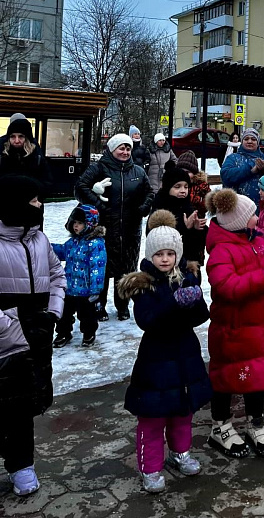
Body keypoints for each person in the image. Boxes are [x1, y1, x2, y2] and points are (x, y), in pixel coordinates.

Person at [118, 210, 212, 493]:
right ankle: (151, 468)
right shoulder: (143, 284)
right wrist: (174, 303)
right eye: (159, 254)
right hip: (156, 361)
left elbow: (201, 315)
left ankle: (180, 452)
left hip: (185, 356)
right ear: (150, 255)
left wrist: (193, 301)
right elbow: (148, 321)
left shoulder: (186, 277)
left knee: (182, 412)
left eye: (170, 253)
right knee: (153, 417)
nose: (165, 259)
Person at [205, 188, 264, 458]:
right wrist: (263, 281)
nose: (258, 216)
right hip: (233, 328)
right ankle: (220, 425)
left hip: (259, 326)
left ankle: (256, 423)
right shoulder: (222, 251)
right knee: (227, 377)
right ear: (239, 221)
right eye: (253, 214)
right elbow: (226, 287)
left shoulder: (257, 241)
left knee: (257, 376)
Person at [0, 175, 66, 496]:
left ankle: (22, 463)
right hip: (6, 340)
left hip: (37, 332)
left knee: (24, 403)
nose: (40, 205)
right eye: (35, 200)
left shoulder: (40, 240)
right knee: (4, 400)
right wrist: (13, 326)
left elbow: (56, 272)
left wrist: (52, 312)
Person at [75, 133, 153, 321]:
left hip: (130, 229)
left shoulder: (138, 171)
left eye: (128, 148)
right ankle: (99, 307)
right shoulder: (99, 168)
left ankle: (123, 306)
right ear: (111, 149)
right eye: (121, 148)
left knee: (125, 270)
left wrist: (143, 208)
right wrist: (98, 202)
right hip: (104, 229)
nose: (125, 152)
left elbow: (149, 193)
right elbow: (79, 188)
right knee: (101, 270)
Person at [51, 204, 107, 349]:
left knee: (87, 315)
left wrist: (96, 289)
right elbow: (63, 251)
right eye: (74, 222)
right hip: (69, 287)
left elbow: (97, 266)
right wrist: (48, 247)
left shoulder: (96, 244)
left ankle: (88, 333)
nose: (76, 226)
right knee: (64, 314)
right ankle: (63, 333)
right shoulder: (72, 242)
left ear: (90, 223)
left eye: (80, 223)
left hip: (86, 290)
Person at [148, 166, 207, 265]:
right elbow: (158, 241)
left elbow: (198, 244)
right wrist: (185, 228)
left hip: (189, 264)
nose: (183, 190)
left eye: (186, 186)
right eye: (177, 186)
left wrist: (198, 228)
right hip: (167, 266)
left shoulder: (187, 206)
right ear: (168, 187)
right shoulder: (160, 207)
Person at [220, 128, 264, 208]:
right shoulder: (233, 158)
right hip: (238, 209)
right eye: (246, 139)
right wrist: (250, 170)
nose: (250, 141)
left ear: (258, 142)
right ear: (242, 141)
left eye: (253, 139)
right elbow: (225, 175)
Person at [0, 117, 52, 199]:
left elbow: (47, 184)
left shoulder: (37, 156)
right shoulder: (2, 156)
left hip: (32, 207)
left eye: (21, 136)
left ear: (27, 138)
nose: (16, 141)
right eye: (12, 136)